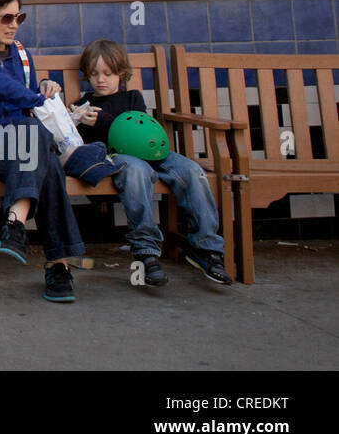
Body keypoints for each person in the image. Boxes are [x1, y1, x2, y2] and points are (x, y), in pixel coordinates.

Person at [0, 0, 87, 302]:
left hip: (23, 144)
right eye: (6, 17)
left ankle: (16, 224)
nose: (14, 24)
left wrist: (43, 86)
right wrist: (37, 97)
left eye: (19, 17)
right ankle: (57, 266)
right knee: (39, 144)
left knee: (39, 144)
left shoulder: (21, 54)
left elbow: (26, 103)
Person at [74, 39, 231, 287]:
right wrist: (77, 119)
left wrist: (105, 120)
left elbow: (140, 129)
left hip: (151, 151)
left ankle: (206, 248)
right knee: (137, 171)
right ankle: (145, 250)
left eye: (107, 73)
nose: (100, 80)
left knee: (191, 170)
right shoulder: (84, 104)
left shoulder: (133, 98)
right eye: (94, 74)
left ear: (122, 74)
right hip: (116, 155)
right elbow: (87, 143)